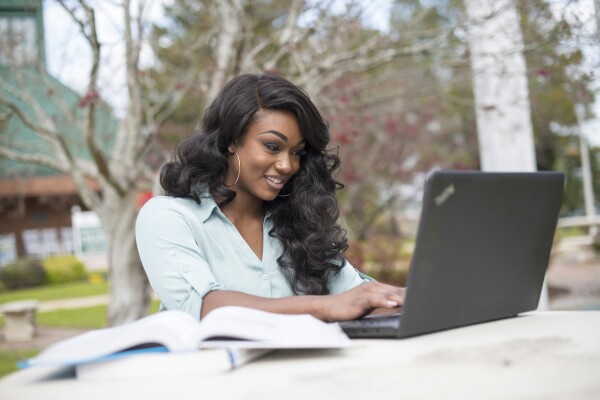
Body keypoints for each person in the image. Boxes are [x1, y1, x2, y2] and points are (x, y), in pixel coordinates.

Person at [136, 73, 405, 322]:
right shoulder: (169, 217)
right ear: (231, 140)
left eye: (297, 153)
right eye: (272, 147)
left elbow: (358, 296)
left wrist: (410, 298)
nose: (287, 165)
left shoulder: (299, 224)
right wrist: (324, 306)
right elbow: (202, 306)